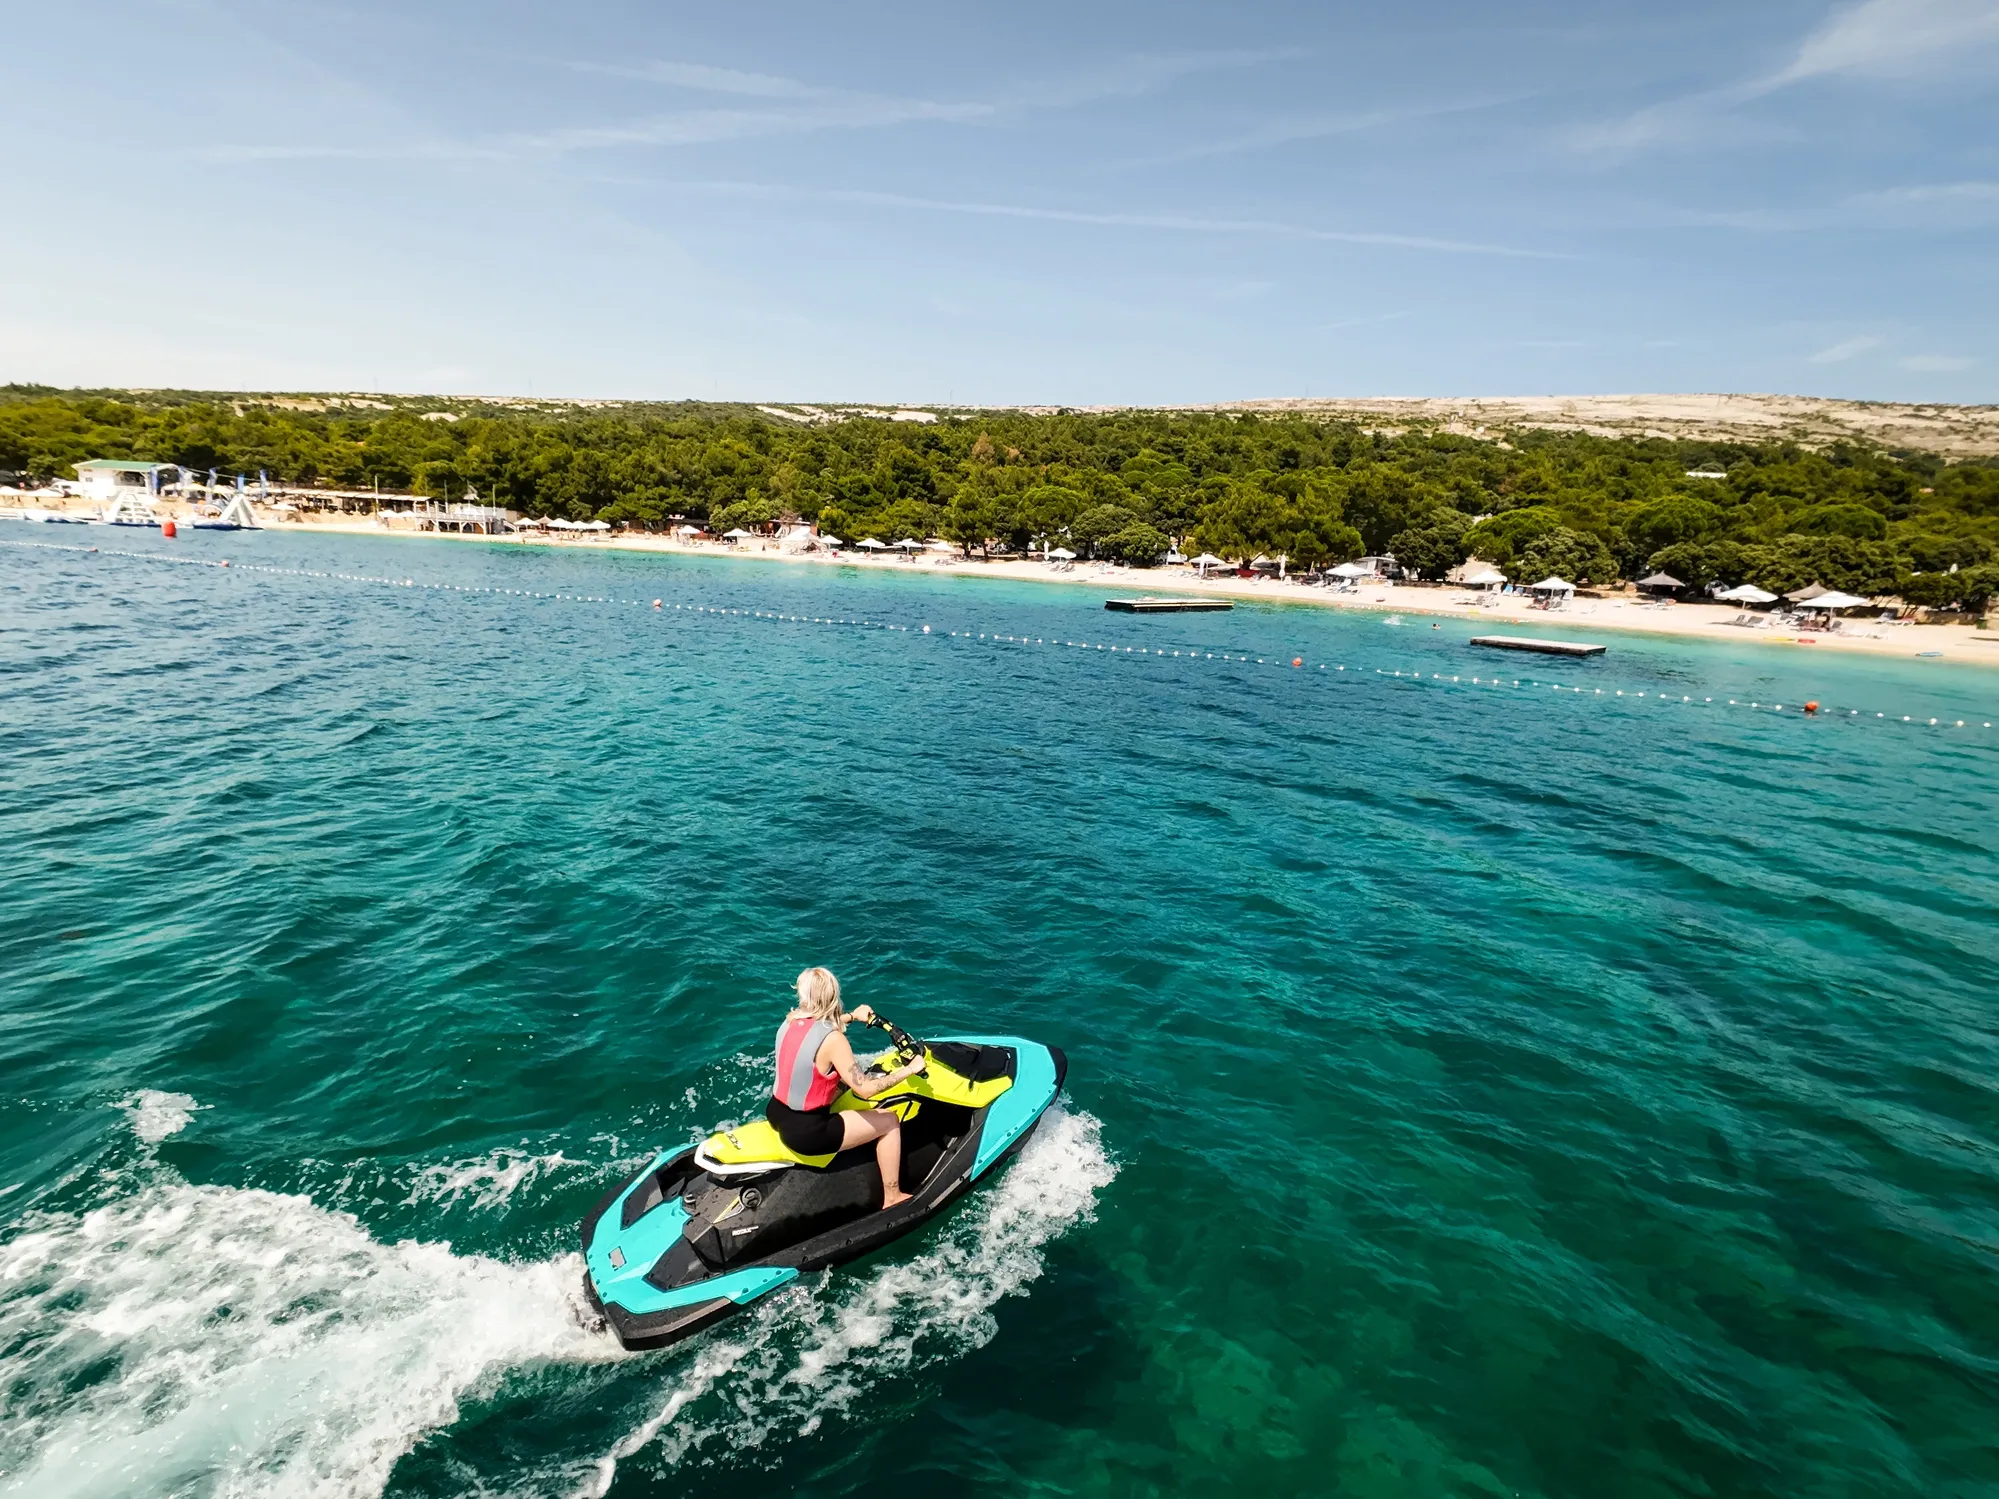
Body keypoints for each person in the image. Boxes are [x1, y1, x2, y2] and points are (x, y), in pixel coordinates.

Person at [767, 967, 926, 1209]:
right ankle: (892, 1196)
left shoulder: (790, 1022)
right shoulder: (834, 1041)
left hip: (777, 1112)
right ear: (833, 995)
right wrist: (910, 1069)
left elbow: (817, 1029)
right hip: (807, 1132)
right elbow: (865, 1090)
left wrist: (852, 1016)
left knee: (840, 1086)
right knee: (889, 1121)